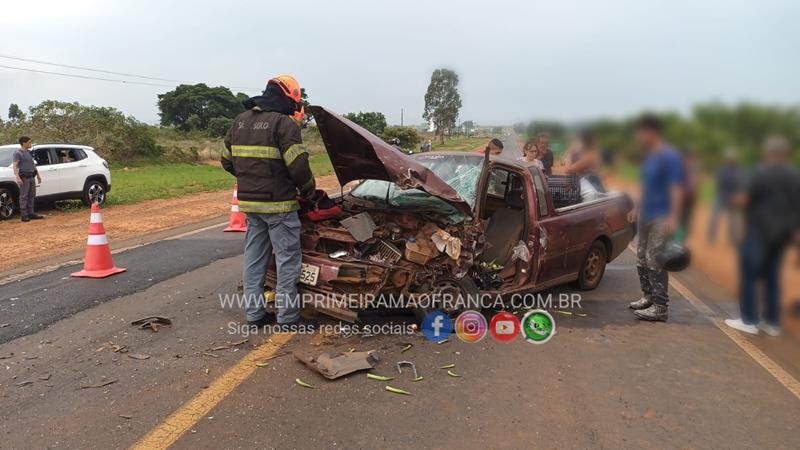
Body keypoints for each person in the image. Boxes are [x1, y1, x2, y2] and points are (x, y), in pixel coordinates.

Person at [221, 74, 316, 330]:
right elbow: (298, 165)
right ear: (290, 97)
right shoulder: (283, 124)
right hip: (280, 205)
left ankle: (254, 315)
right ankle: (287, 319)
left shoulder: (240, 122)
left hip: (251, 205)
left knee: (254, 258)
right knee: (287, 260)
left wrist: (250, 178)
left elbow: (226, 160)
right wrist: (309, 189)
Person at [724, 136, 800, 336]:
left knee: (749, 275)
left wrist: (733, 200)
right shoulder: (795, 175)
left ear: (768, 153)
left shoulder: (760, 172)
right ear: (785, 153)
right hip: (782, 234)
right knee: (772, 277)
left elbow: (744, 199)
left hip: (759, 232)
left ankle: (749, 320)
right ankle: (772, 322)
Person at [628, 115, 685, 322]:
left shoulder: (670, 156)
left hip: (662, 216)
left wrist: (674, 216)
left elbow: (676, 187)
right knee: (641, 256)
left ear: (652, 132)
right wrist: (636, 207)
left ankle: (660, 307)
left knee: (656, 259)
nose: (639, 136)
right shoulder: (649, 156)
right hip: (646, 213)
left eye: (641, 132)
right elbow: (644, 184)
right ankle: (647, 297)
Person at [707, 148, 742, 244]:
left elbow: (739, 184)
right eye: (730, 158)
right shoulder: (722, 170)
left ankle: (734, 239)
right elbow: (720, 183)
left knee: (733, 220)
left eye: (733, 158)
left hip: (732, 198)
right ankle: (711, 237)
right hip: (721, 196)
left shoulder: (737, 170)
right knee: (714, 218)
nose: (731, 160)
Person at [563, 130, 605, 201]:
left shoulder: (590, 156)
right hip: (590, 186)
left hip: (591, 191)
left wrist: (569, 153)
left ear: (584, 142)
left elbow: (568, 170)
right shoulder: (589, 153)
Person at [12, 136, 44, 222]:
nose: (30, 144)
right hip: (24, 177)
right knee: (24, 196)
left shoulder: (29, 153)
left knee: (31, 195)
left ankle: (31, 213)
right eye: (29, 142)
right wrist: (17, 177)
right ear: (24, 143)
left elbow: (33, 164)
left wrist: (38, 175)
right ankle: (24, 215)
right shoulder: (18, 153)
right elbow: (15, 166)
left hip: (31, 176)